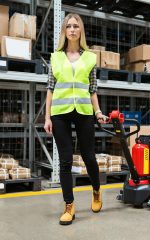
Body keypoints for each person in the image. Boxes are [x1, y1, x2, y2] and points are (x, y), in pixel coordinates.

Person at [44, 13, 108, 225]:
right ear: (64, 31)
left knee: (89, 156)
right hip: (60, 113)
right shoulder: (56, 57)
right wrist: (47, 117)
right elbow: (50, 89)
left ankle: (97, 191)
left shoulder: (90, 58)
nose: (72, 29)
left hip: (83, 111)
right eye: (68, 26)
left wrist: (98, 112)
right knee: (65, 160)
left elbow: (92, 89)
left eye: (76, 26)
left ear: (80, 31)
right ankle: (69, 206)